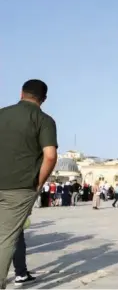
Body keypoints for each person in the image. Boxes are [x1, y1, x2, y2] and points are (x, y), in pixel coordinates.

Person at [0, 81, 59, 288]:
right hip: (20, 187)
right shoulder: (43, 120)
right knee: (7, 238)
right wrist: (38, 183)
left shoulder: (2, 113)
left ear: (21, 93)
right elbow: (50, 156)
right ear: (43, 99)